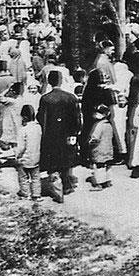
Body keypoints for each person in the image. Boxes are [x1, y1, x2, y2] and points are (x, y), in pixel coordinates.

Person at [37, 70, 81, 198]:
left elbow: (41, 118)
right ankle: (66, 184)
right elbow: (76, 118)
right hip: (68, 133)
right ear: (60, 81)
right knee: (66, 158)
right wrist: (75, 132)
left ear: (49, 82)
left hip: (51, 135)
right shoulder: (71, 97)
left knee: (53, 160)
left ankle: (56, 187)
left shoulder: (45, 98)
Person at [15, 104, 42, 201]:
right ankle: (36, 195)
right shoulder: (38, 128)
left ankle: (25, 193)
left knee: (23, 177)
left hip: (25, 158)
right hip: (36, 157)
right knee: (36, 177)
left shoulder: (23, 130)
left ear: (24, 117)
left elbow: (21, 147)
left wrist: (17, 156)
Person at [87, 104, 114, 190]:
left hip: (99, 149)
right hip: (108, 148)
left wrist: (89, 144)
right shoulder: (109, 125)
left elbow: (95, 138)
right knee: (107, 165)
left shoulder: (99, 125)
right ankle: (108, 181)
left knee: (99, 166)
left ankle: (99, 184)